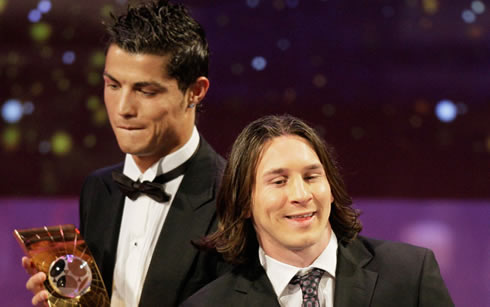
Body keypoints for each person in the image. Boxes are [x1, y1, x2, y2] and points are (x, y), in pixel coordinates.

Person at [22, 1, 227, 306]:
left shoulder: (234, 196)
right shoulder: (97, 189)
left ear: (195, 92)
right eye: (113, 85)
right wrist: (67, 298)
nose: (122, 109)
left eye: (146, 91)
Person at [181, 114, 454, 307]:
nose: (301, 195)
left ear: (331, 187)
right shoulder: (211, 304)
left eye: (312, 177)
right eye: (279, 181)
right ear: (243, 203)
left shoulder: (410, 274)